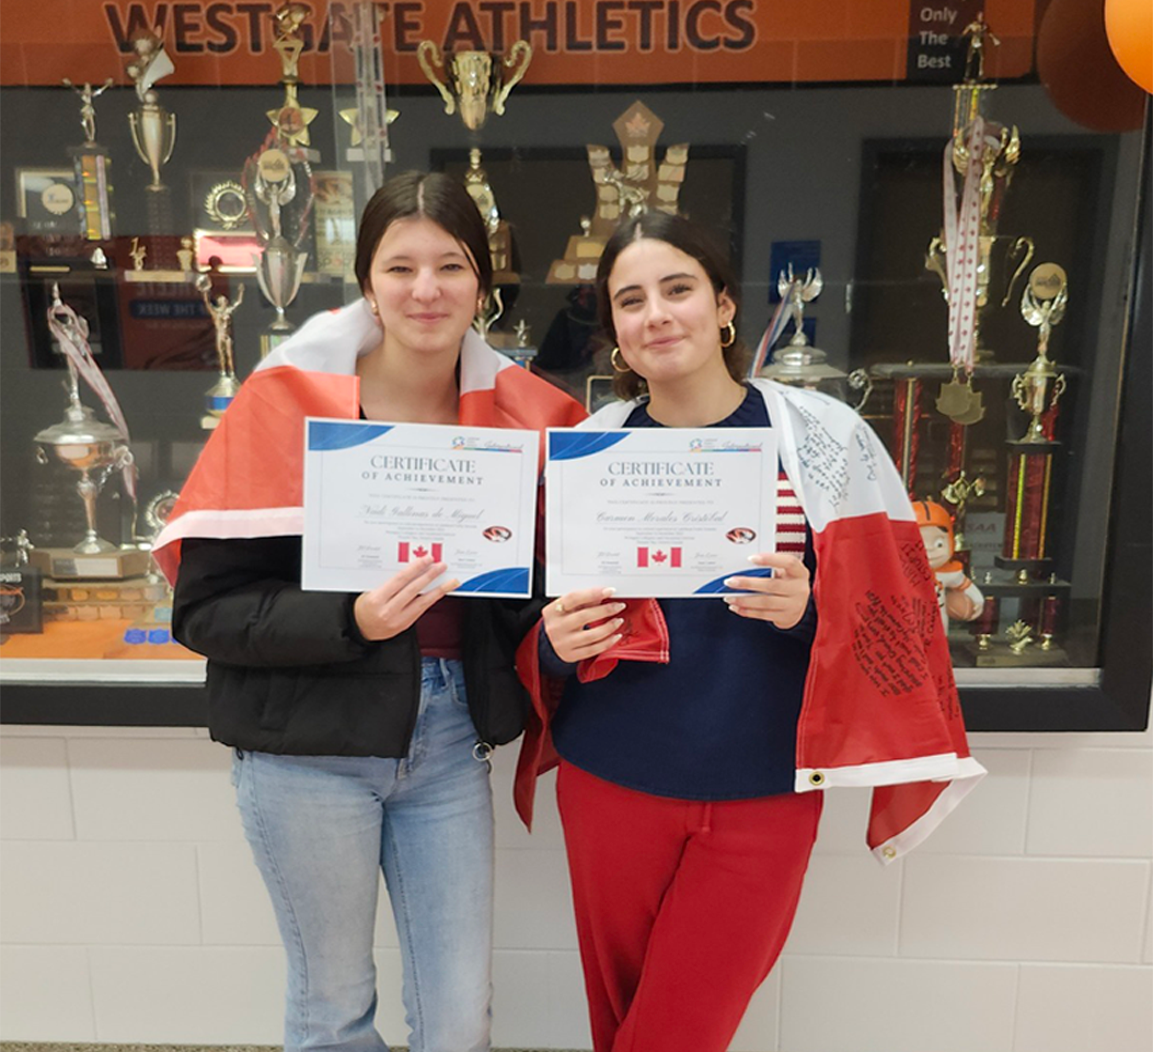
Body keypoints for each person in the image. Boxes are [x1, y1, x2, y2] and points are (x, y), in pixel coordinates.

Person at [513, 211, 986, 1052]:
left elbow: (896, 623)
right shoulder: (585, 451)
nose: (657, 314)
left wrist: (811, 613)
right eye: (631, 300)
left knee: (678, 1033)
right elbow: (531, 628)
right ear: (613, 327)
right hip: (610, 780)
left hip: (762, 789)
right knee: (620, 1023)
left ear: (724, 305)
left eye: (678, 289)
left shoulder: (825, 439)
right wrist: (554, 641)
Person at [154, 171, 584, 1052]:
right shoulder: (284, 405)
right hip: (305, 751)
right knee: (333, 1011)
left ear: (482, 284)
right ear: (366, 284)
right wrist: (352, 620)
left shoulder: (521, 418)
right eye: (400, 267)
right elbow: (205, 613)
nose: (426, 289)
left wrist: (557, 626)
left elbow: (524, 599)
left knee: (458, 1019)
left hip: (448, 742)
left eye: (451, 266)